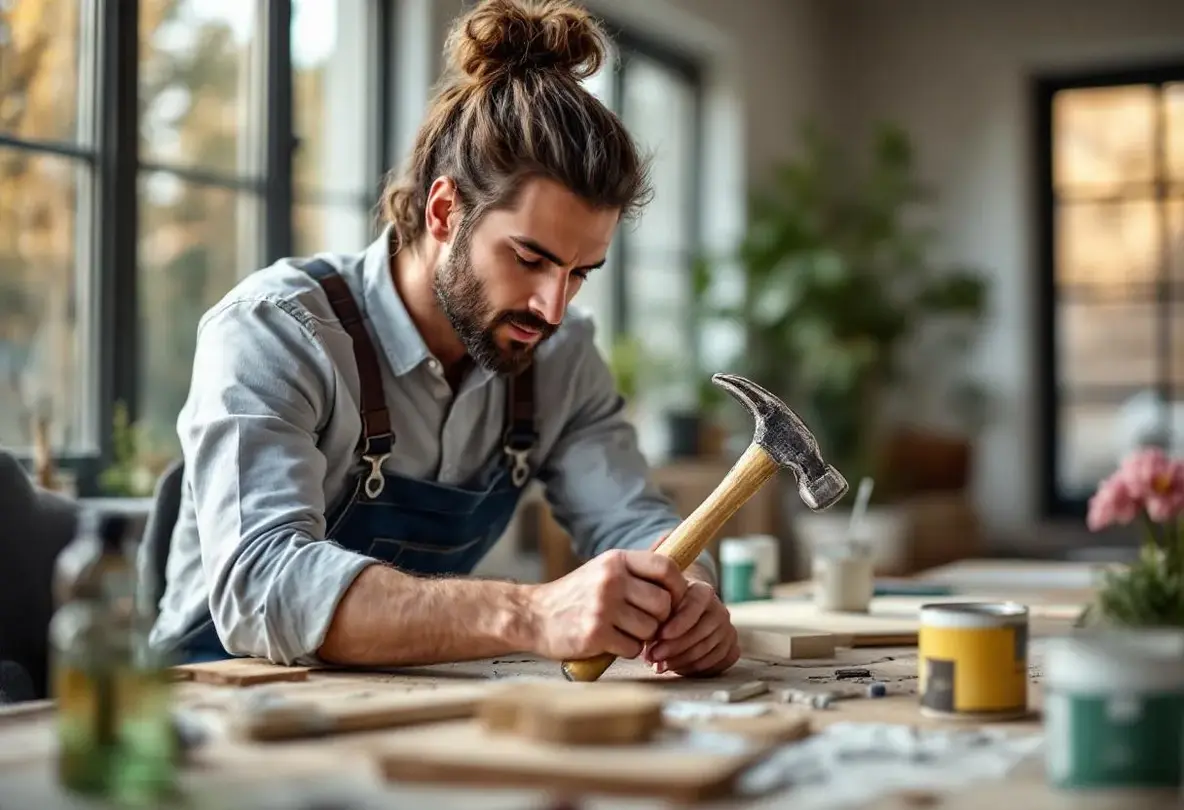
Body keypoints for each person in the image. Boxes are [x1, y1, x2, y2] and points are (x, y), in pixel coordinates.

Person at [149, 0, 740, 678]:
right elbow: (262, 585)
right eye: (530, 258)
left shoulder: (562, 355)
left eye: (581, 273)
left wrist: (686, 595)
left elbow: (634, 523)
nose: (552, 307)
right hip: (205, 712)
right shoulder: (275, 330)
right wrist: (529, 614)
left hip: (388, 707)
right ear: (442, 211)